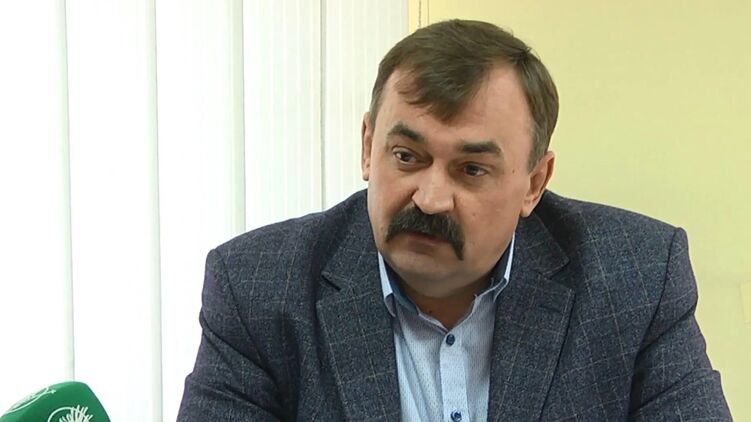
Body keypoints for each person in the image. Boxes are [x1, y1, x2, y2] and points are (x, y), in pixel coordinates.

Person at [177, 19, 731, 421]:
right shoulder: (258, 287)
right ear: (368, 147)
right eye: (406, 157)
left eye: (471, 169)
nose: (431, 198)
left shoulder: (635, 279)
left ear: (534, 183)